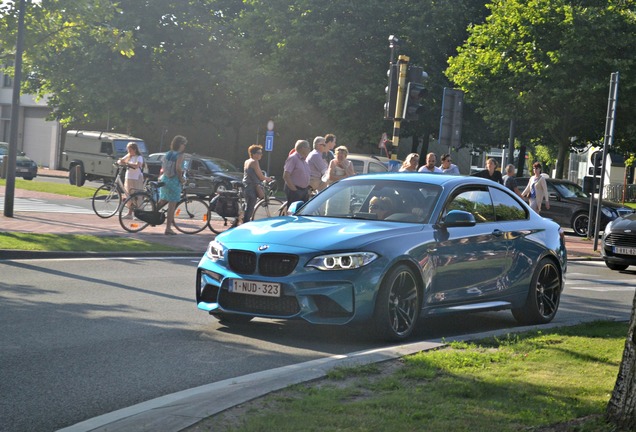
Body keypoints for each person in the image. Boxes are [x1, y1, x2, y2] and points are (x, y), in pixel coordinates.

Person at [158, 135, 187, 235]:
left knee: (163, 200)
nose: (184, 146)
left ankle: (152, 215)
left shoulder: (168, 153)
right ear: (180, 144)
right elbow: (178, 168)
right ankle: (168, 228)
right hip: (174, 181)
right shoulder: (180, 155)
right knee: (172, 206)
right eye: (184, 144)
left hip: (165, 179)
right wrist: (181, 179)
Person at [243, 144, 273, 222]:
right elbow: (261, 176)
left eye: (261, 153)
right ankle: (245, 226)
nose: (261, 155)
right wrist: (268, 179)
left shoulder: (247, 161)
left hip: (246, 187)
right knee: (249, 209)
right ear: (253, 154)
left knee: (248, 207)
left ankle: (243, 223)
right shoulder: (254, 162)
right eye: (259, 153)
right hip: (252, 188)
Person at [117, 142, 145, 218]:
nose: (129, 152)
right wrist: (121, 161)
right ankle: (129, 213)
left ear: (134, 150)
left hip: (136, 178)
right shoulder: (129, 156)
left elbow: (137, 165)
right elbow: (120, 161)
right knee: (128, 196)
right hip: (128, 177)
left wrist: (127, 163)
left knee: (137, 196)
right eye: (128, 150)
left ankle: (139, 214)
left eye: (130, 150)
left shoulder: (139, 157)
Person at [283, 140, 311, 204]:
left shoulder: (304, 160)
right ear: (303, 148)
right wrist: (295, 190)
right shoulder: (293, 158)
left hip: (304, 191)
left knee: (302, 212)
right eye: (308, 148)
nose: (309, 150)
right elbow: (286, 175)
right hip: (295, 191)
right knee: (294, 212)